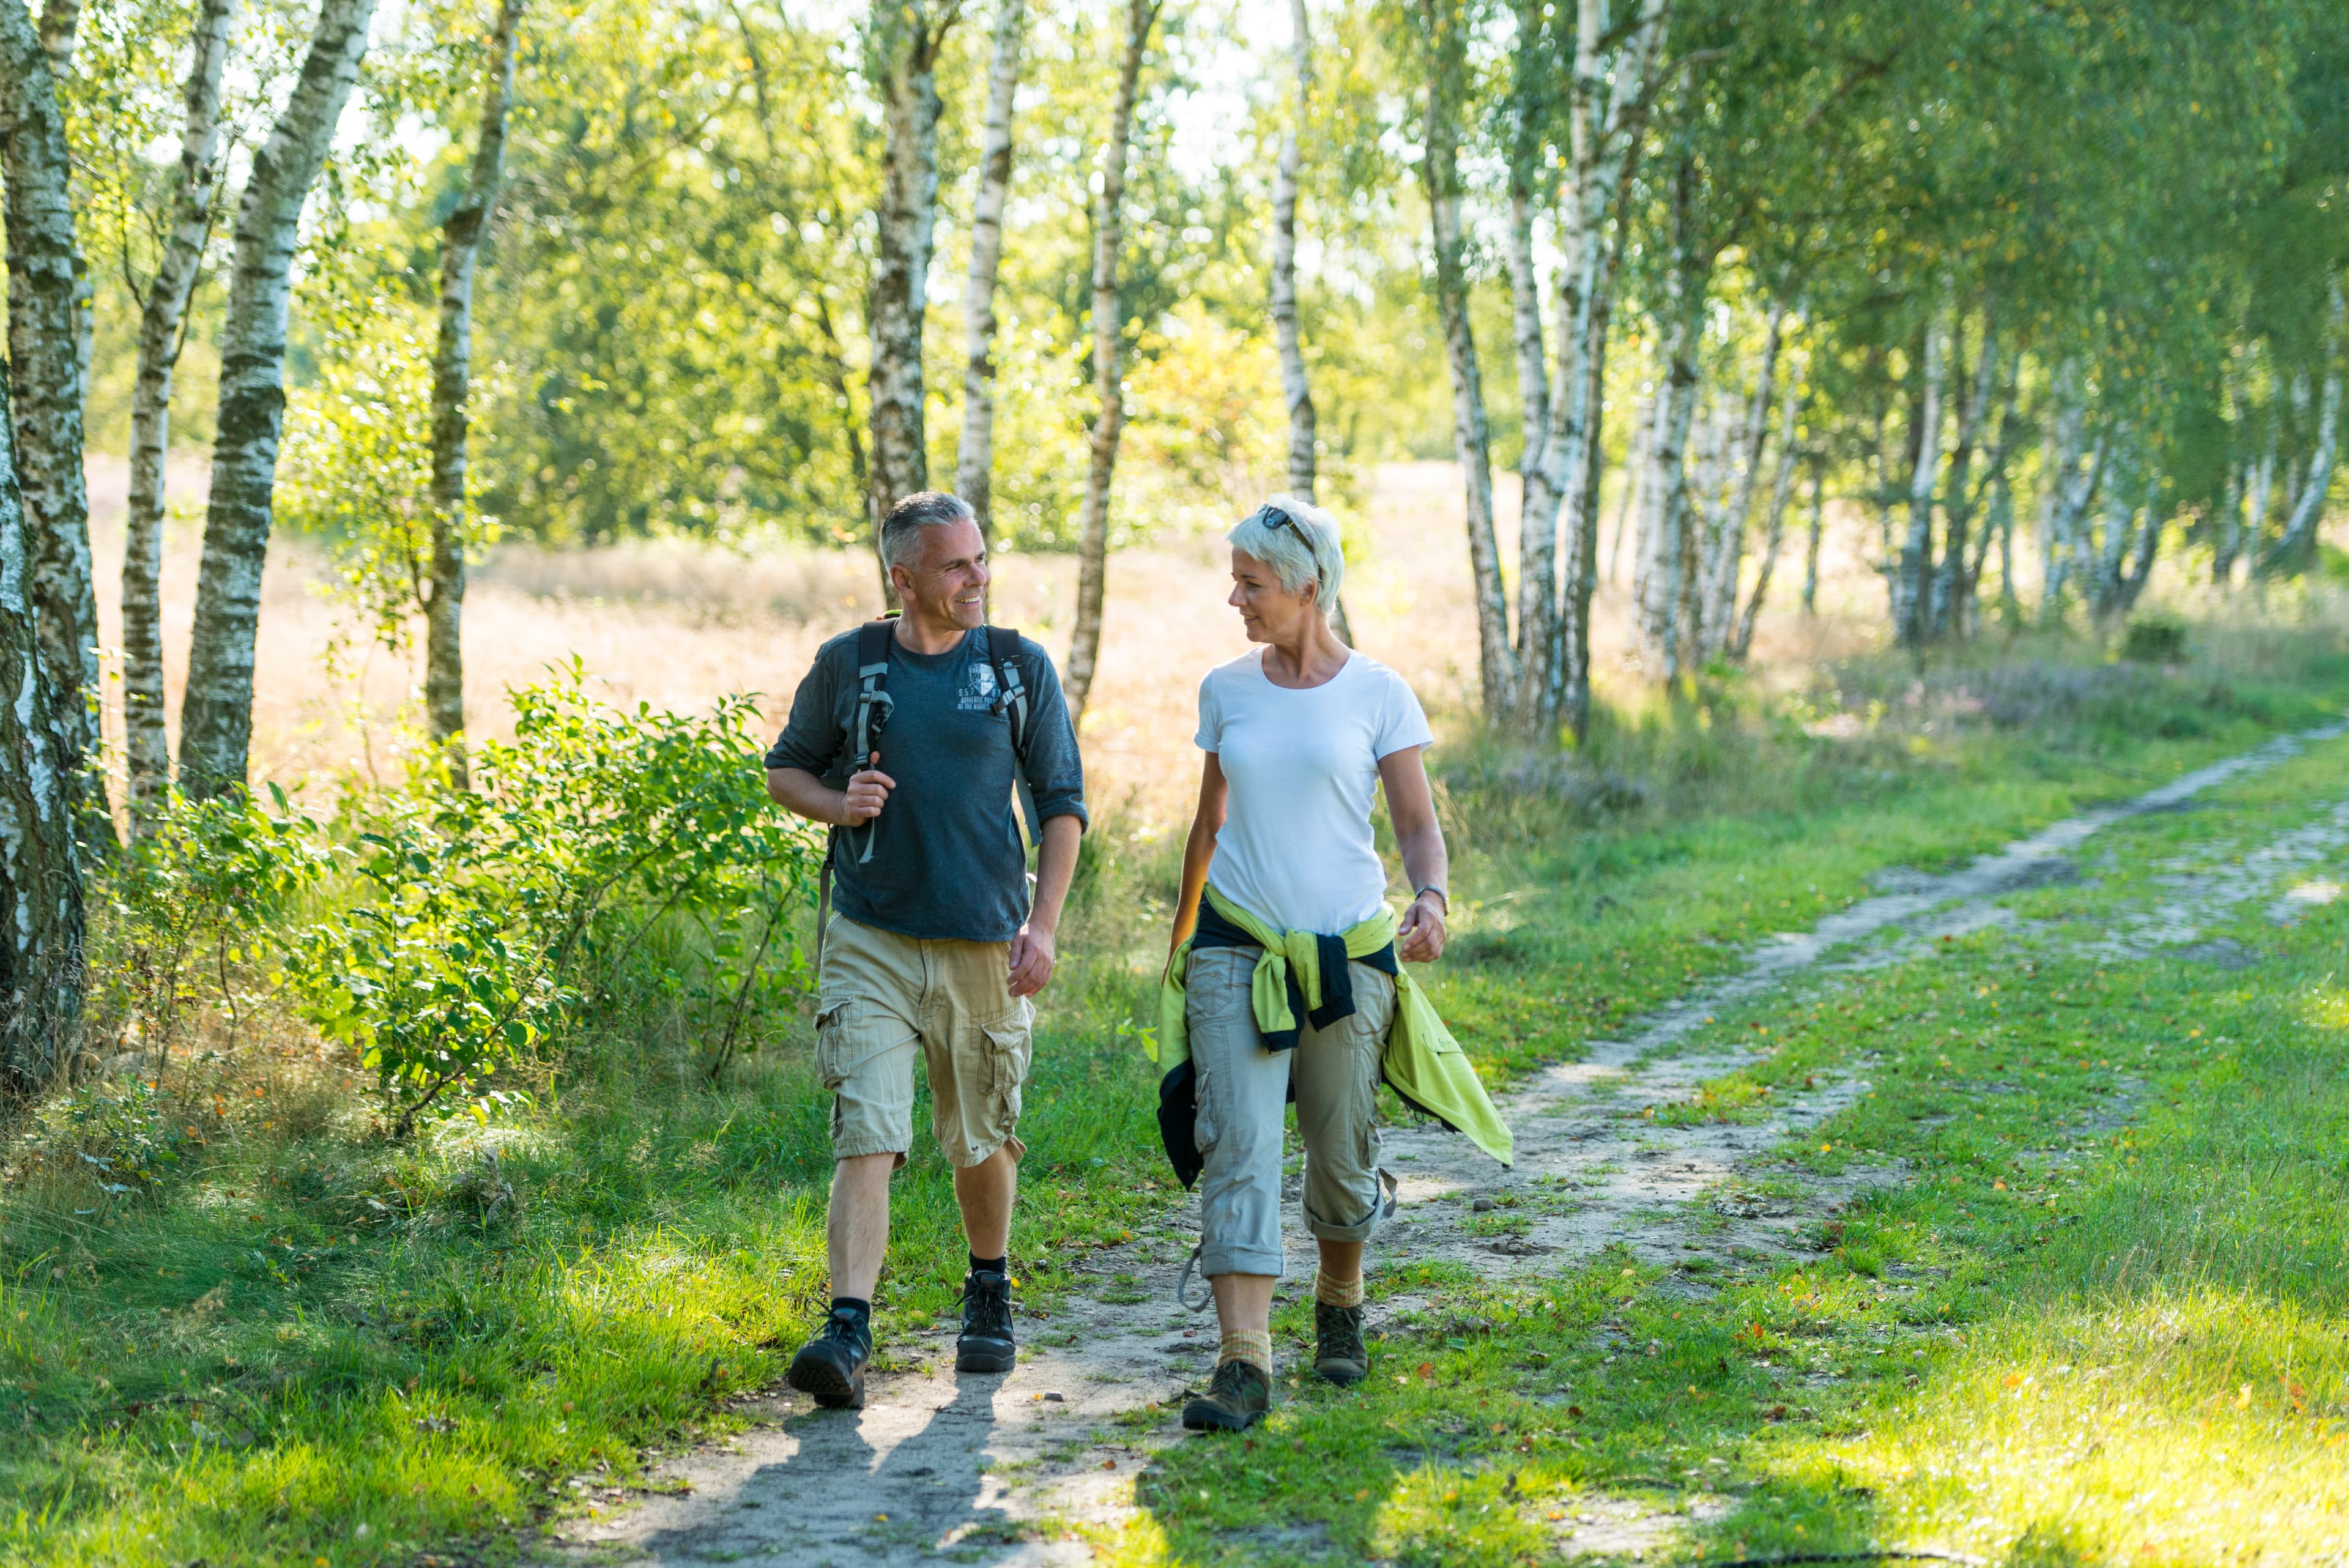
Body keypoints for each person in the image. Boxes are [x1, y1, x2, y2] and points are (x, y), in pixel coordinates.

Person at [1156, 495, 1510, 1433]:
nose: (1236, 600)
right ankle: (1243, 1362)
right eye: (1235, 582)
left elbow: (1417, 826)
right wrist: (1184, 936)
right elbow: (1210, 820)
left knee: (1342, 1151)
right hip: (1237, 948)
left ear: (1309, 587)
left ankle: (1340, 1303)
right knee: (1236, 1142)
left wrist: (1431, 899)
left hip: (1349, 956)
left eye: (1253, 583)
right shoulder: (1226, 688)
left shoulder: (1379, 693)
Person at [765, 491, 1087, 1410]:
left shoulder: (1016, 666)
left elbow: (1062, 803)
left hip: (986, 938)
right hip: (869, 935)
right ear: (901, 578)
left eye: (981, 559)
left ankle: (989, 1288)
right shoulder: (851, 665)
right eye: (956, 565)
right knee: (867, 1128)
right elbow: (786, 767)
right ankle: (849, 1328)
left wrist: (1046, 927)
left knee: (980, 1134)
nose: (978, 576)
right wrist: (837, 804)